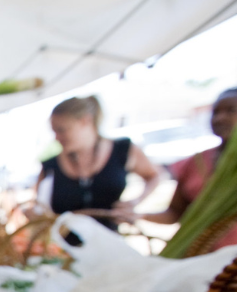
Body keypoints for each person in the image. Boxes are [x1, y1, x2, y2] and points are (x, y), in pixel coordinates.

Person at [130, 87, 237, 250]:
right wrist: (139, 215)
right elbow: (176, 212)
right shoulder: (196, 162)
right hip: (196, 259)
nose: (219, 118)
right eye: (215, 112)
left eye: (231, 110)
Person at [37, 96, 161, 231]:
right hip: (61, 248)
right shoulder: (50, 166)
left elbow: (154, 175)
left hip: (110, 242)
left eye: (62, 130)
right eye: (54, 131)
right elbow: (39, 207)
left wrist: (136, 201)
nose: (56, 137)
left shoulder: (122, 150)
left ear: (86, 121)